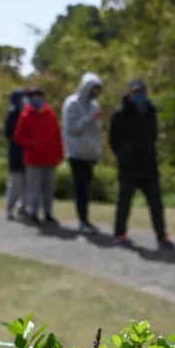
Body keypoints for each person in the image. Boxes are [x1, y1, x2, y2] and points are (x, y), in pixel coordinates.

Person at [110, 78, 170, 247]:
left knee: (156, 203)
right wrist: (124, 155)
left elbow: (154, 135)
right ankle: (119, 233)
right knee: (124, 202)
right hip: (128, 166)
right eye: (135, 92)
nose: (139, 95)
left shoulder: (151, 111)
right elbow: (114, 140)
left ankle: (161, 235)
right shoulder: (119, 114)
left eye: (142, 91)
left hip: (149, 165)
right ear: (129, 93)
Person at [14, 87, 64, 224]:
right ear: (30, 99)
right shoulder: (26, 115)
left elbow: (57, 135)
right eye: (33, 97)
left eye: (39, 96)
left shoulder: (51, 114)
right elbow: (18, 137)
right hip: (34, 158)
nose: (37, 99)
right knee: (34, 188)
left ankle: (48, 213)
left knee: (49, 188)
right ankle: (33, 213)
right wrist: (32, 143)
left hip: (50, 157)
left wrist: (60, 153)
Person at [62, 72, 105, 234]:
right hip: (76, 153)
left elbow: (97, 130)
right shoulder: (71, 103)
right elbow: (73, 128)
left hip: (90, 153)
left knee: (87, 188)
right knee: (81, 187)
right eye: (94, 89)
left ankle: (86, 219)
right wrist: (90, 119)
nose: (96, 93)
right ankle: (83, 221)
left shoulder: (95, 106)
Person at [4, 88, 28, 221]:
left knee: (26, 184)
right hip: (16, 154)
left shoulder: (28, 113)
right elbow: (8, 134)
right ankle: (10, 208)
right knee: (16, 183)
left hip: (27, 154)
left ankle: (23, 207)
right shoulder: (12, 114)